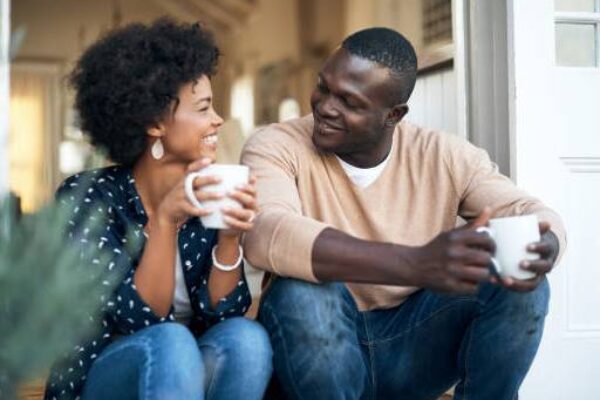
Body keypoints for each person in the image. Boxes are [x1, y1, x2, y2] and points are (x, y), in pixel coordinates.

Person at [241, 27, 565, 400]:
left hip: (412, 347)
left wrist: (547, 244)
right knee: (300, 291)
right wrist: (414, 263)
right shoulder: (276, 144)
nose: (326, 106)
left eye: (350, 102)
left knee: (520, 278)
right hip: (316, 347)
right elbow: (266, 232)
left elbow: (528, 211)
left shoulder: (444, 155)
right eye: (324, 87)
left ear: (393, 114)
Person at [45, 19, 272, 400]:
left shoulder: (207, 193)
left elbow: (222, 317)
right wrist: (165, 220)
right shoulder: (89, 199)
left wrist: (230, 237)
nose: (217, 119)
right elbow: (140, 320)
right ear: (154, 123)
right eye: (203, 108)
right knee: (169, 341)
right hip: (102, 378)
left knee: (246, 338)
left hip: (180, 378)